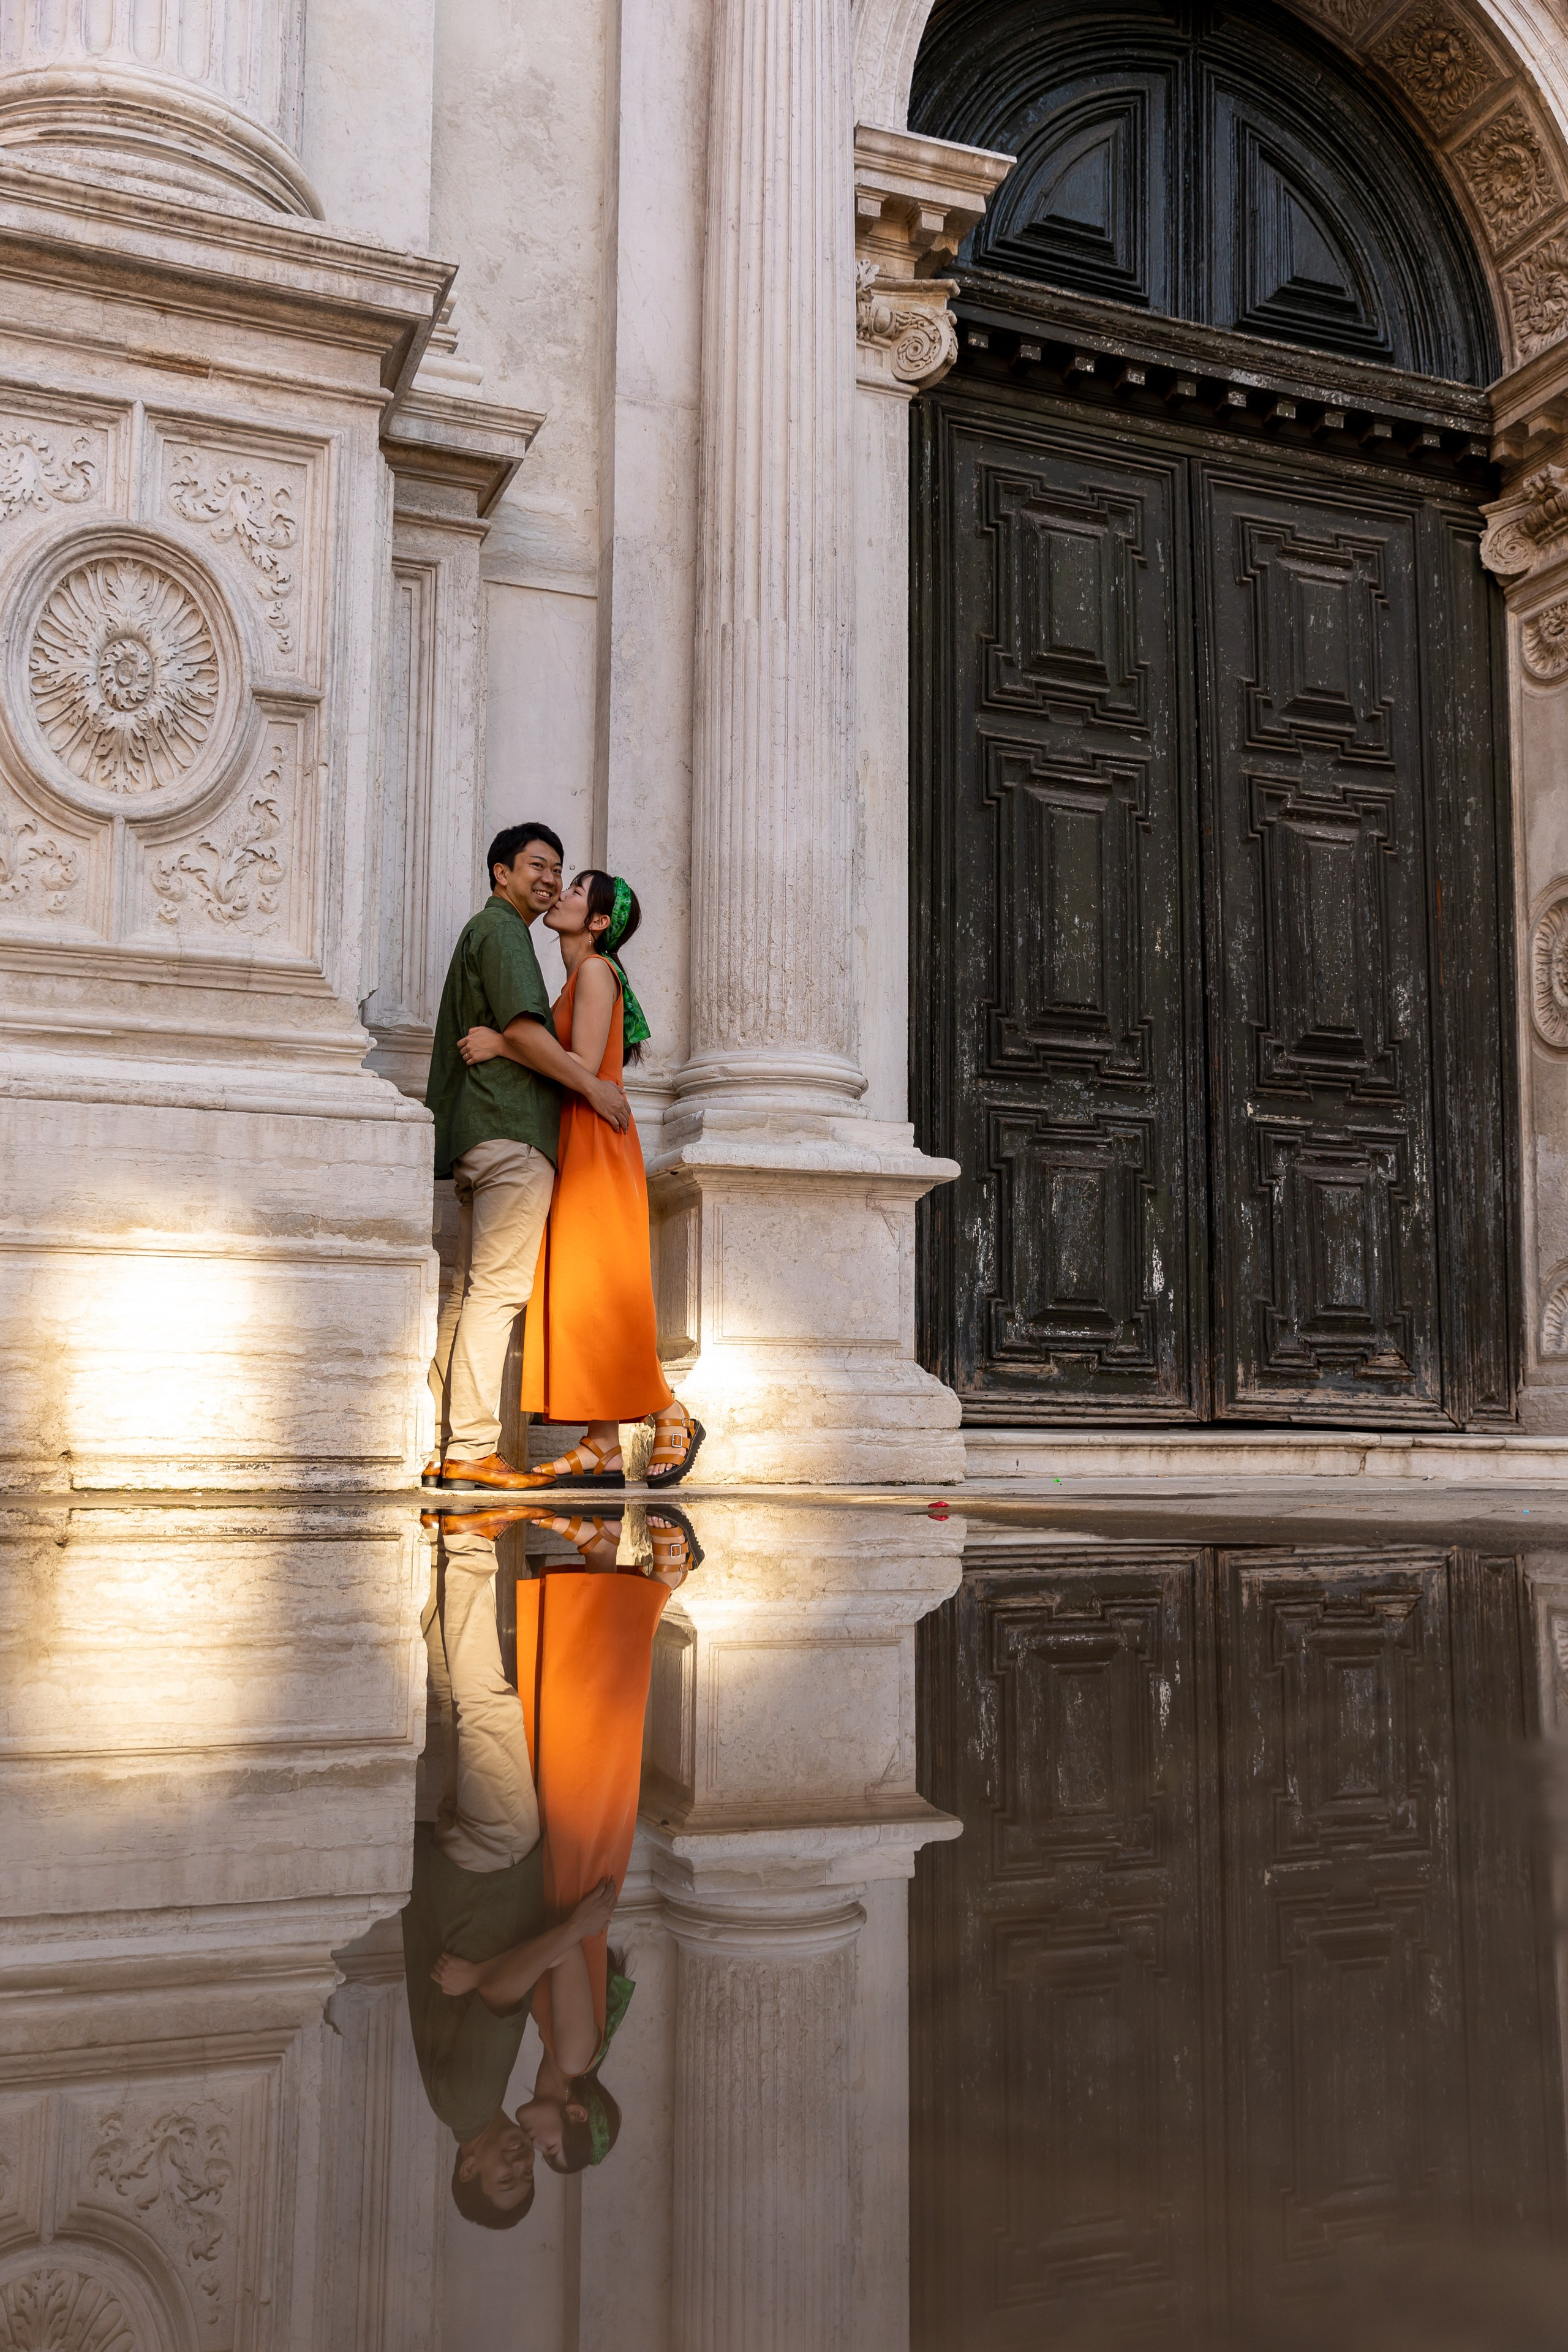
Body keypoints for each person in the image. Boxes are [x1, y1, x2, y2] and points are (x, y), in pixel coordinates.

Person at [399, 1507, 617, 2230]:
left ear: (468, 2167)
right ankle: (445, 1540)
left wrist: (572, 1930)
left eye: (505, 2178)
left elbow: (496, 1991)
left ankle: (464, 1537)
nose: (523, 2164)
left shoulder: (469, 2101)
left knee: (485, 1707)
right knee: (457, 1701)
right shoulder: (465, 2102)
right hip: (468, 1879)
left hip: (493, 1872)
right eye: (532, 2174)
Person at [457, 868, 703, 1491]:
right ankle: (602, 1444)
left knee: (599, 1285)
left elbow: (583, 1065)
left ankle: (668, 1409)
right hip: (580, 1133)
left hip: (596, 1138)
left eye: (575, 890)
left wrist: (503, 1044)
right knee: (584, 1287)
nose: (560, 892)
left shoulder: (594, 971)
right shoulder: (579, 976)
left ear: (596, 922)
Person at [424, 826, 631, 1494]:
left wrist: (505, 1045)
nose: (550, 879)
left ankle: (446, 1446)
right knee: (497, 1293)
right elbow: (523, 1030)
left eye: (559, 870)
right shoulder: (505, 932)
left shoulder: (496, 935)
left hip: (478, 1132)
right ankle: (471, 1450)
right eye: (537, 865)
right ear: (501, 872)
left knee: (469, 1295)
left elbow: (511, 1035)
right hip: (511, 1134)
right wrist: (593, 1087)